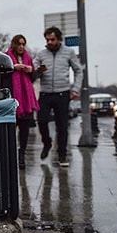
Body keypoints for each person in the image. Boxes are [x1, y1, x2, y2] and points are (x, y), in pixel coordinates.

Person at [33, 26, 83, 167]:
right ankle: (47, 143)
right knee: (41, 120)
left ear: (59, 39)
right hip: (45, 93)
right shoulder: (41, 54)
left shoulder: (69, 52)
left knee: (62, 126)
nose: (49, 42)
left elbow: (78, 71)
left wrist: (75, 89)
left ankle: (62, 155)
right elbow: (33, 71)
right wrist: (38, 71)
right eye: (47, 39)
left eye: (52, 39)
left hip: (63, 93)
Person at [4, 34, 40, 170]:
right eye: (19, 44)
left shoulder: (28, 58)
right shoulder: (6, 57)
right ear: (14, 44)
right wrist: (13, 68)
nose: (21, 47)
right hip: (12, 99)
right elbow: (2, 75)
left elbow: (34, 77)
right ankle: (8, 155)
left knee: (24, 130)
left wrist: (31, 71)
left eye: (23, 44)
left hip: (26, 101)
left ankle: (22, 155)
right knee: (9, 130)